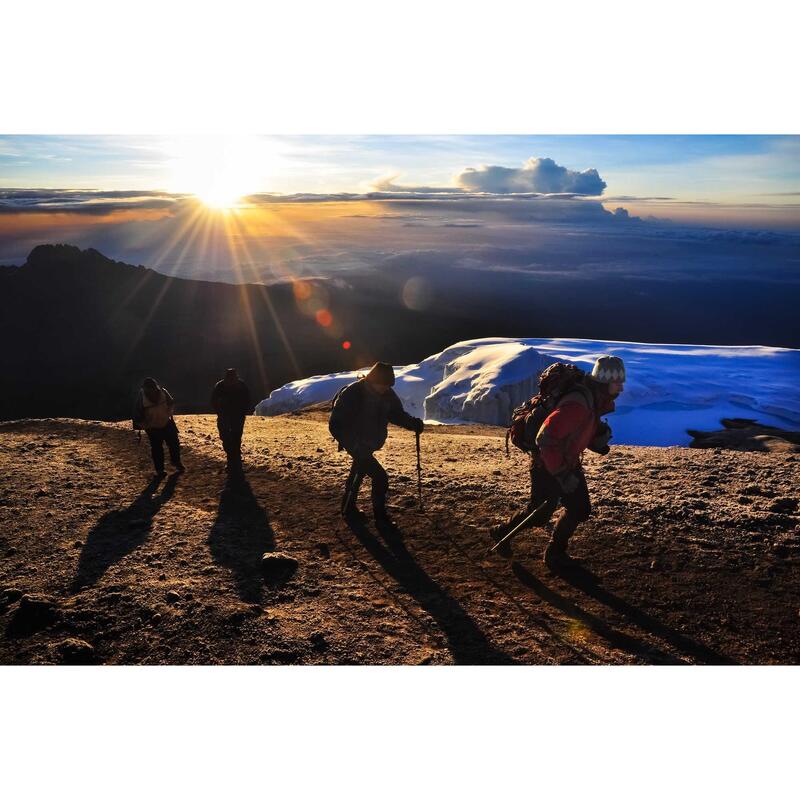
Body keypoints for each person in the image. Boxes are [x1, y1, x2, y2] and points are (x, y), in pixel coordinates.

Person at [490, 355, 626, 568]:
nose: (622, 388)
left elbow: (576, 429)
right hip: (548, 463)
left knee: (579, 508)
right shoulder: (578, 403)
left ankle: (555, 554)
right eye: (618, 382)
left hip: (566, 461)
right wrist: (562, 474)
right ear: (605, 382)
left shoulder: (592, 399)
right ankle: (501, 532)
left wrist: (597, 438)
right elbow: (546, 438)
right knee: (539, 512)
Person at [329, 361, 424, 524]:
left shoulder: (387, 394)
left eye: (388, 385)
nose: (385, 389)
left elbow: (396, 414)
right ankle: (380, 516)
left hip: (369, 442)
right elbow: (336, 424)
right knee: (380, 477)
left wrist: (413, 423)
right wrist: (354, 445)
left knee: (358, 471)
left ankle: (348, 508)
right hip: (356, 444)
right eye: (382, 385)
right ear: (372, 380)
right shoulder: (353, 393)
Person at [133, 377, 185, 478]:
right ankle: (160, 469)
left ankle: (176, 462)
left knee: (174, 444)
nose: (151, 390)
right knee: (157, 449)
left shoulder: (163, 392)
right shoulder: (142, 397)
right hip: (152, 427)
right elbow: (138, 414)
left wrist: (169, 413)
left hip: (166, 423)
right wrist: (145, 425)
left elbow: (171, 403)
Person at [211, 368, 252, 470]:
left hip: (229, 416)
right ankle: (235, 459)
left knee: (228, 437)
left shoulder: (220, 385)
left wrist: (219, 412)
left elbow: (213, 401)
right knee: (234, 437)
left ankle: (233, 459)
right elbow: (248, 400)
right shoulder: (240, 385)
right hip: (234, 416)